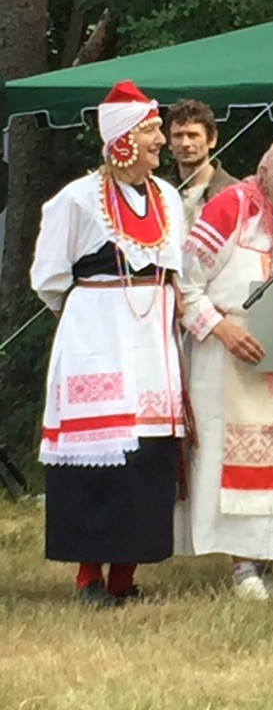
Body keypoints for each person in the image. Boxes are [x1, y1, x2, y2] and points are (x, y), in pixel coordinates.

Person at [30, 80, 186, 608]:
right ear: (122, 138)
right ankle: (88, 577)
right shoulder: (76, 199)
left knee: (145, 456)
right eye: (151, 130)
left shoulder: (167, 198)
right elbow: (49, 277)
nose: (161, 140)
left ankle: (126, 577)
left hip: (152, 342)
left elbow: (176, 270)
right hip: (97, 332)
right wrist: (90, 314)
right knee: (96, 459)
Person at [176, 133, 273, 600]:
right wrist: (221, 328)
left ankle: (267, 559)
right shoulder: (229, 208)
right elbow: (183, 283)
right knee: (229, 457)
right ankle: (240, 564)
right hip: (227, 354)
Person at [167, 99, 238, 229]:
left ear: (212, 140)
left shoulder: (236, 194)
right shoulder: (159, 193)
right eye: (178, 136)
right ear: (170, 143)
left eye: (193, 135)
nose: (185, 143)